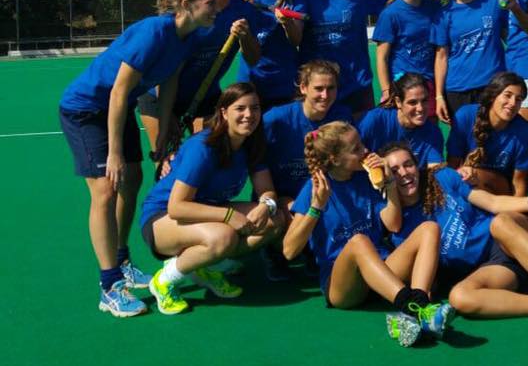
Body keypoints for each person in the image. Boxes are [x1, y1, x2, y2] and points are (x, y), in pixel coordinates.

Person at [58, 0, 216, 316]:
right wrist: (114, 153)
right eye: (210, 3)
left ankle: (121, 259)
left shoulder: (188, 38)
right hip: (86, 110)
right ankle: (109, 286)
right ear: (187, 4)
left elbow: (169, 85)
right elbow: (117, 91)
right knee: (106, 189)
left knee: (133, 181)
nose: (215, 9)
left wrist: (162, 137)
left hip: (120, 106)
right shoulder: (153, 32)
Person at [381, 143, 528, 340]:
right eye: (394, 170)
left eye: (408, 164)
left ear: (417, 165)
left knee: (499, 223)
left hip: (509, 235)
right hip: (492, 267)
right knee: (459, 297)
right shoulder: (400, 224)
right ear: (387, 179)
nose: (404, 173)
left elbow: (494, 203)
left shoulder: (442, 178)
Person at [282, 122, 452, 347]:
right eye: (356, 148)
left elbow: (393, 225)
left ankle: (417, 311)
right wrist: (316, 207)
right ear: (335, 159)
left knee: (429, 228)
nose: (365, 150)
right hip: (343, 286)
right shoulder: (316, 187)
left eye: (362, 142)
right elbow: (289, 251)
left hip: (381, 271)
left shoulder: (367, 178)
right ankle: (412, 305)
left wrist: (390, 183)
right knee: (359, 242)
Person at [140, 83, 282, 314]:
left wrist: (267, 205)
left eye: (255, 108)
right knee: (223, 237)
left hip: (206, 213)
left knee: (274, 220)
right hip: (161, 219)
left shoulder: (252, 142)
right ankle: (165, 280)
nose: (249, 115)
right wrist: (228, 216)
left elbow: (267, 190)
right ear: (224, 113)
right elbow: (176, 207)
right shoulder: (203, 147)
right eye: (240, 108)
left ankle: (203, 264)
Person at [142, 0, 261, 158]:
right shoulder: (186, 13)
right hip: (160, 95)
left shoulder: (243, 10)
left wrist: (246, 37)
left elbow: (253, 59)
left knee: (207, 156)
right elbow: (166, 69)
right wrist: (166, 115)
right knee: (167, 162)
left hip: (205, 96)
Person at [260, 60, 352, 280]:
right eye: (318, 89)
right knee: (293, 214)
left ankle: (314, 251)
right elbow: (253, 154)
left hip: (323, 193)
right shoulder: (276, 119)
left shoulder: (342, 117)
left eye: (331, 88)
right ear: (303, 88)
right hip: (282, 196)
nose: (325, 95)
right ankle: (274, 253)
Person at [300, 0, 392, 119]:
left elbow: (393, 2)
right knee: (322, 143)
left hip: (357, 85)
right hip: (319, 88)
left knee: (360, 141)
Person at [432, 0, 508, 124]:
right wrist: (438, 96)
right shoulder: (443, 14)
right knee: (466, 146)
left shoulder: (495, 2)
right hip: (457, 91)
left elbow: (512, 41)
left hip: (493, 87)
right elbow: (441, 57)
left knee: (495, 141)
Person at [232, 0, 306, 110]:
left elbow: (296, 40)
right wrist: (239, 7)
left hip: (284, 83)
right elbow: (224, 8)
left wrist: (287, 23)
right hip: (250, 81)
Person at [446, 72, 528, 196]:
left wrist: (517, 213)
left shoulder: (525, 130)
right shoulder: (466, 116)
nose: (513, 103)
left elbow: (519, 182)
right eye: (507, 95)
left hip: (502, 193)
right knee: (464, 173)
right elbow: (452, 165)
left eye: (518, 99)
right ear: (493, 95)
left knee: (477, 173)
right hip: (468, 187)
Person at [373, 0, 441, 112]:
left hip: (429, 84)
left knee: (428, 132)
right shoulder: (390, 14)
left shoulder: (434, 8)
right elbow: (382, 57)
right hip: (403, 86)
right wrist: (386, 91)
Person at [358, 73, 444, 168]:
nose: (420, 108)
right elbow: (350, 156)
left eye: (424, 101)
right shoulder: (374, 120)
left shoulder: (433, 133)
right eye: (412, 102)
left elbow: (434, 172)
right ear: (398, 102)